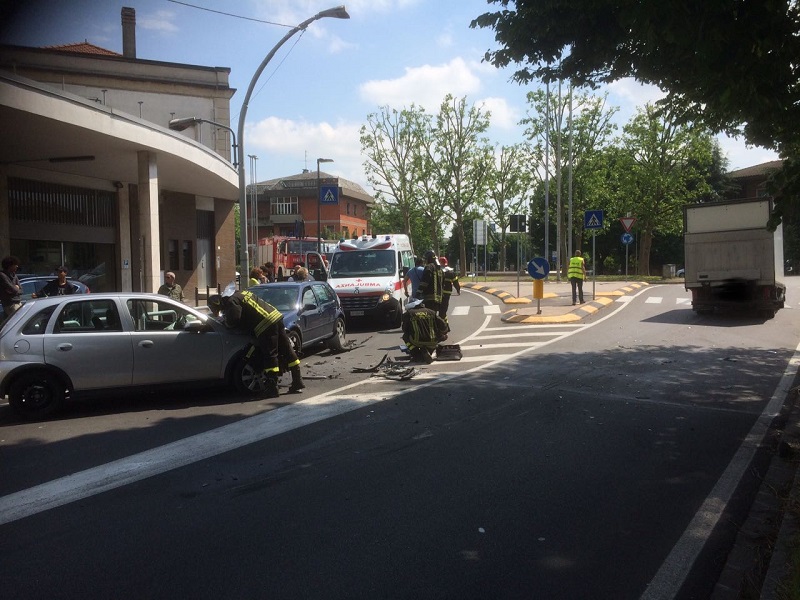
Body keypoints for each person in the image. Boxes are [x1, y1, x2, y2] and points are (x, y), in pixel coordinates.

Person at [209, 286, 304, 397]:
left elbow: (235, 319)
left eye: (216, 309)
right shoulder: (240, 293)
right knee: (287, 349)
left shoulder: (231, 301)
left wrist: (226, 322)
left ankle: (272, 388)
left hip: (265, 324)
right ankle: (298, 381)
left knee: (270, 354)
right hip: (276, 317)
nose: (219, 311)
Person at [401, 298, 449, 364]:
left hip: (417, 341)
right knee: (439, 338)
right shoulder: (431, 312)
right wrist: (443, 334)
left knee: (405, 337)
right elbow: (443, 325)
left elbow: (405, 329)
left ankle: (417, 355)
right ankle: (429, 351)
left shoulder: (408, 314)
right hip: (432, 340)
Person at [416, 250, 444, 314]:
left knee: (430, 316)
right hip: (439, 298)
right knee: (434, 315)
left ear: (429, 258)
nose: (425, 261)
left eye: (426, 259)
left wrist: (418, 292)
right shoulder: (440, 270)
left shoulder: (429, 267)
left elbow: (424, 282)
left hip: (430, 298)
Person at [438, 256, 461, 328]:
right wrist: (458, 290)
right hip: (446, 294)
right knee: (443, 311)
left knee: (437, 310)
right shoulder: (451, 273)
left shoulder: (437, 271)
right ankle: (445, 326)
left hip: (437, 294)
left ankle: (441, 326)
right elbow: (456, 283)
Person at [0, 255, 22, 327]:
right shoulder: (2, 275)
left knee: (9, 325)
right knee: (17, 323)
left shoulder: (14, 275)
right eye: (15, 265)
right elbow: (12, 288)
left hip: (18, 301)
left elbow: (21, 290)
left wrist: (16, 289)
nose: (17, 266)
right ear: (9, 265)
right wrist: (15, 288)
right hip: (10, 304)